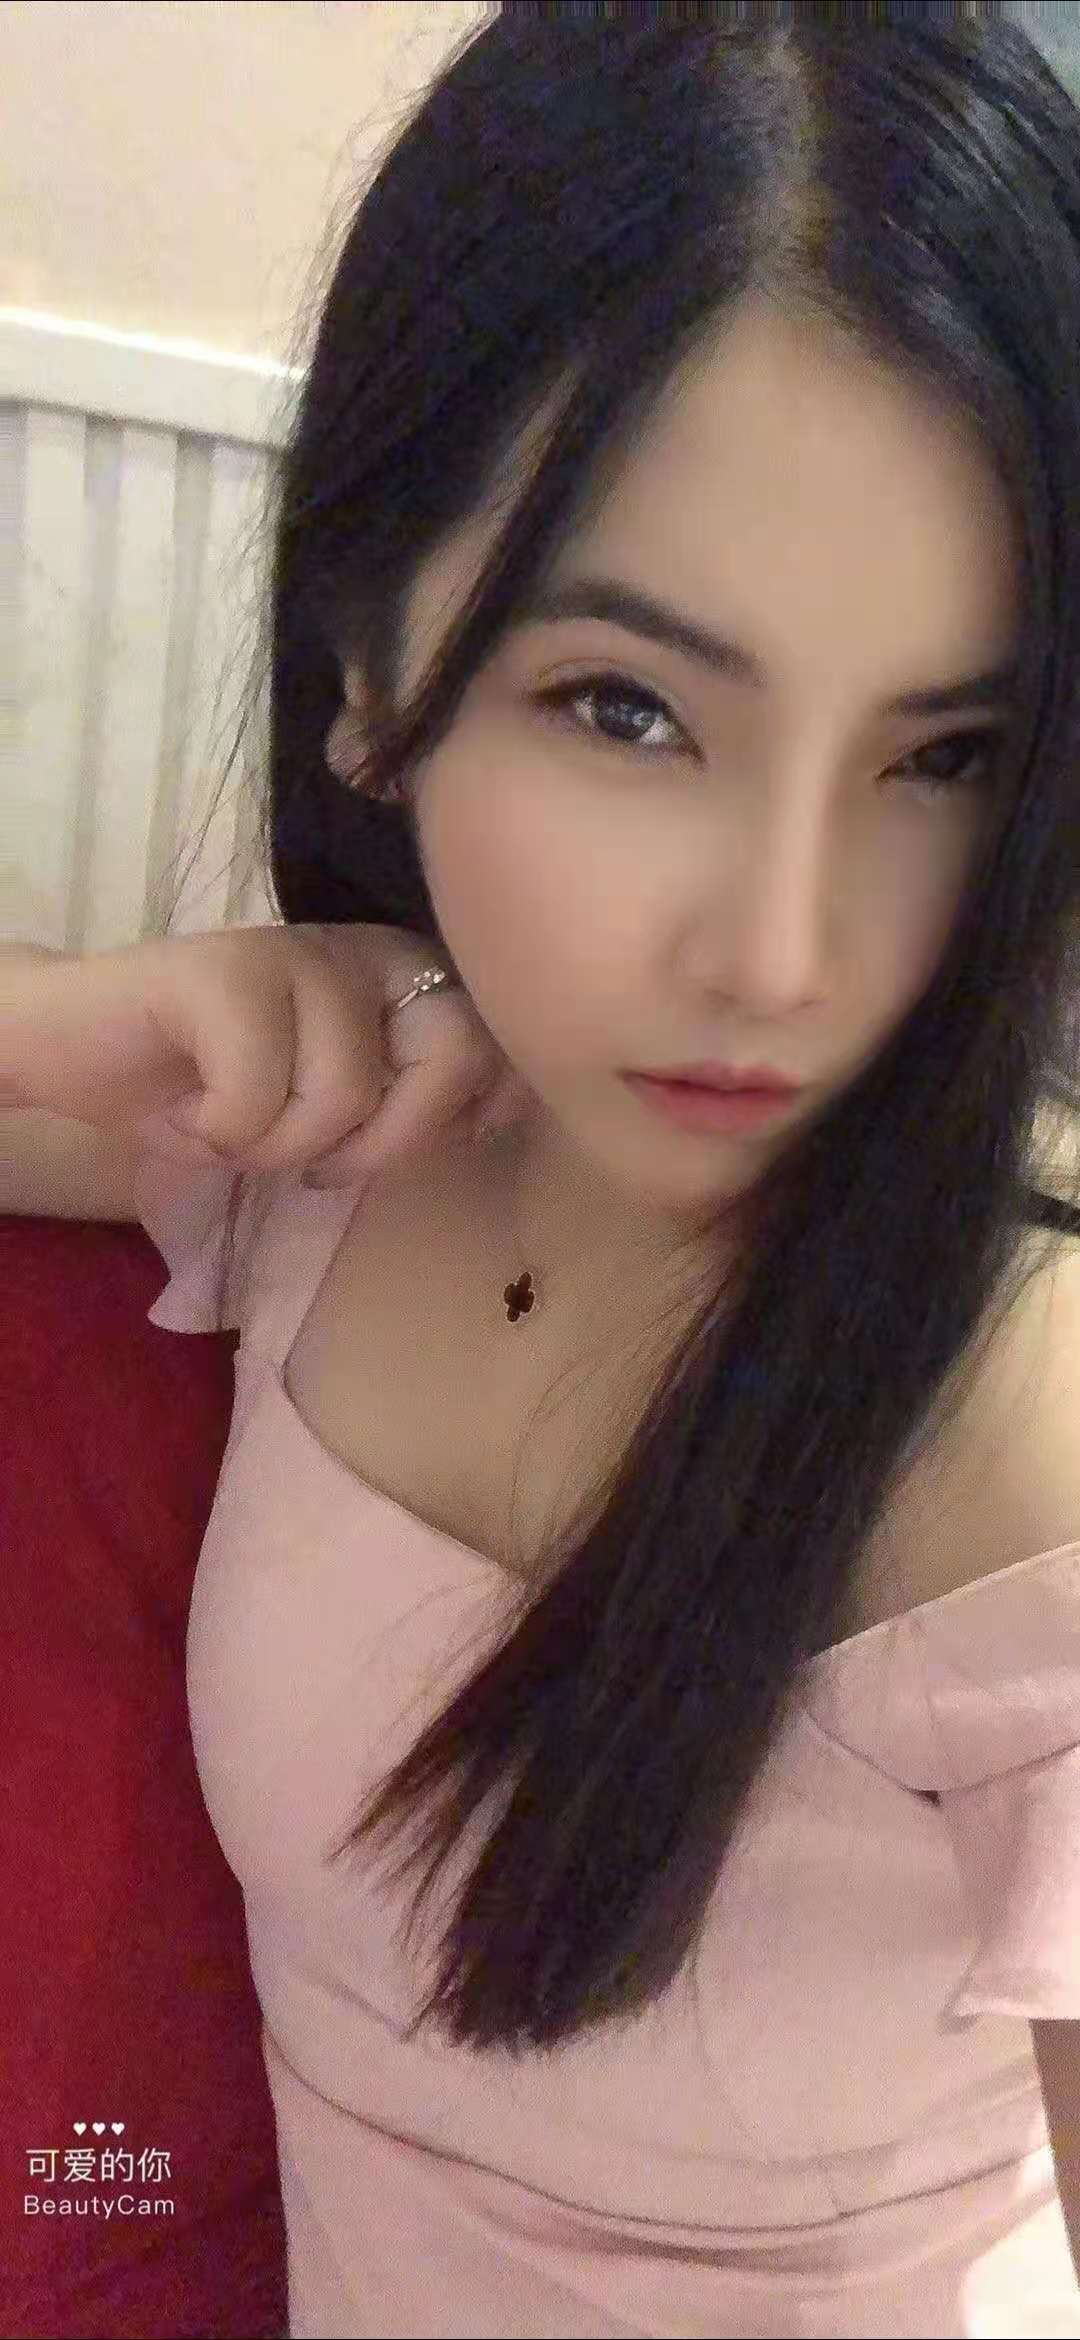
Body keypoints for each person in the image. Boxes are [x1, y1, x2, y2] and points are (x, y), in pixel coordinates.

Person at [6, 5, 1080, 2333]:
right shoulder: (345, 1137)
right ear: (364, 673)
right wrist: (72, 1014)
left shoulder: (1028, 1430)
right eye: (629, 707)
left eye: (950, 756)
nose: (783, 957)